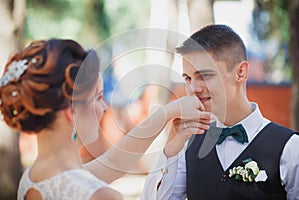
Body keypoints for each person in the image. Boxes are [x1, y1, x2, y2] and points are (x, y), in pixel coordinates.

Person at [0, 39, 211, 200]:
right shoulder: (99, 195)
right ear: (71, 112)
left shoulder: (33, 178)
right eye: (99, 98)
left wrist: (168, 112)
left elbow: (113, 162)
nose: (104, 108)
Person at [141, 24, 299, 200]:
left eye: (205, 75)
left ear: (241, 73)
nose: (193, 88)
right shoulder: (186, 144)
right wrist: (170, 150)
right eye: (188, 78)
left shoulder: (291, 148)